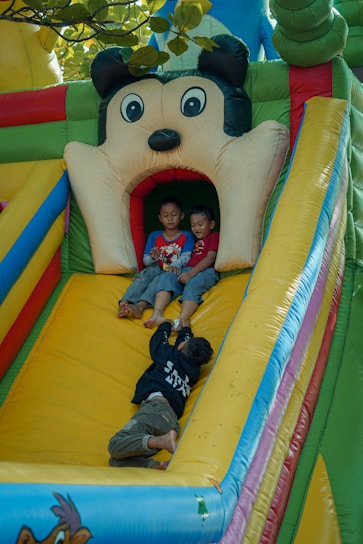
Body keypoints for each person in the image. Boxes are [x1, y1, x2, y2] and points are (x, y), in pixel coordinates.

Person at [108, 321, 213, 469]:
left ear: (181, 346)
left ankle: (161, 441)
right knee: (116, 461)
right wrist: (186, 330)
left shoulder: (168, 355)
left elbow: (157, 342)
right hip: (171, 423)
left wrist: (166, 325)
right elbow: (186, 348)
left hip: (156, 410)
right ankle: (155, 465)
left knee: (115, 445)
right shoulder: (193, 374)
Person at [143, 205, 219, 331]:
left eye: (200, 224)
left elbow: (210, 258)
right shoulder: (192, 238)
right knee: (166, 276)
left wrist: (191, 273)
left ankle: (182, 320)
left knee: (192, 286)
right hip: (187, 269)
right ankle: (157, 314)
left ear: (211, 224)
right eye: (193, 225)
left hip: (206, 271)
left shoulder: (214, 236)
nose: (196, 228)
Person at [117, 196, 195, 319]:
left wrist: (176, 264)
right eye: (165, 215)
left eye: (174, 214)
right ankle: (125, 302)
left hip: (172, 271)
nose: (169, 219)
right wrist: (154, 258)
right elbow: (146, 260)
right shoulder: (155, 235)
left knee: (158, 281)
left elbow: (186, 255)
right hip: (156, 267)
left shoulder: (187, 235)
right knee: (144, 276)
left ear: (182, 215)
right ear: (160, 218)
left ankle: (140, 306)